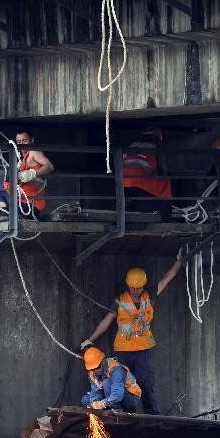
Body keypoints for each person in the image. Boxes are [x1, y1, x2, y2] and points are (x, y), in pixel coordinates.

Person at [79, 255, 182, 415]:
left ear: (143, 285)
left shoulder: (150, 296)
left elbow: (168, 277)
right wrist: (89, 340)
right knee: (116, 383)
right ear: (128, 285)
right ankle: (123, 414)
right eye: (133, 287)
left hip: (142, 350)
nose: (135, 290)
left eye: (139, 287)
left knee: (146, 384)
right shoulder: (120, 300)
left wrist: (179, 260)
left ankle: (152, 416)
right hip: (123, 350)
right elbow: (107, 321)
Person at [0, 130, 54, 216]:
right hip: (21, 200)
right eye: (19, 142)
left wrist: (32, 173)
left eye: (24, 141)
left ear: (32, 140)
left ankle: (6, 213)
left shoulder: (34, 152)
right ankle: (5, 212)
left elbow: (49, 167)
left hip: (30, 203)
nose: (22, 144)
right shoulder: (22, 160)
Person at [123, 127, 172, 219]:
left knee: (132, 203)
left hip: (126, 182)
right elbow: (163, 168)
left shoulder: (131, 145)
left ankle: (126, 215)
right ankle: (165, 216)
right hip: (144, 182)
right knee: (166, 183)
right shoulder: (157, 147)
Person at [81, 347, 141, 413]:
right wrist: (94, 403)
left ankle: (117, 411)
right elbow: (95, 391)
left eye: (97, 367)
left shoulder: (116, 369)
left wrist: (103, 403)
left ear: (103, 361)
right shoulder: (92, 374)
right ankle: (107, 410)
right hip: (110, 396)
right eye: (92, 369)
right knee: (86, 400)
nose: (95, 371)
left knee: (106, 382)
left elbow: (118, 394)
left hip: (130, 398)